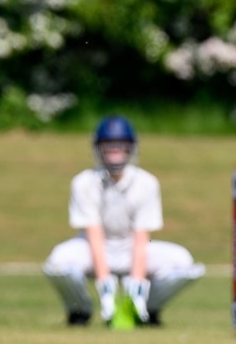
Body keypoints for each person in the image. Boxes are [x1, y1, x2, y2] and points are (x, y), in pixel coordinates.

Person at [41, 116, 205, 326]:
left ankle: (147, 309)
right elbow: (94, 234)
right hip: (92, 249)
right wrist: (106, 289)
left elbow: (141, 238)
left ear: (131, 148)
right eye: (108, 147)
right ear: (98, 148)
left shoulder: (146, 183)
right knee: (58, 261)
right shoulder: (83, 182)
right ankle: (80, 310)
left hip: (132, 249)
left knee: (184, 262)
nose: (114, 152)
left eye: (120, 146)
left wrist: (135, 287)